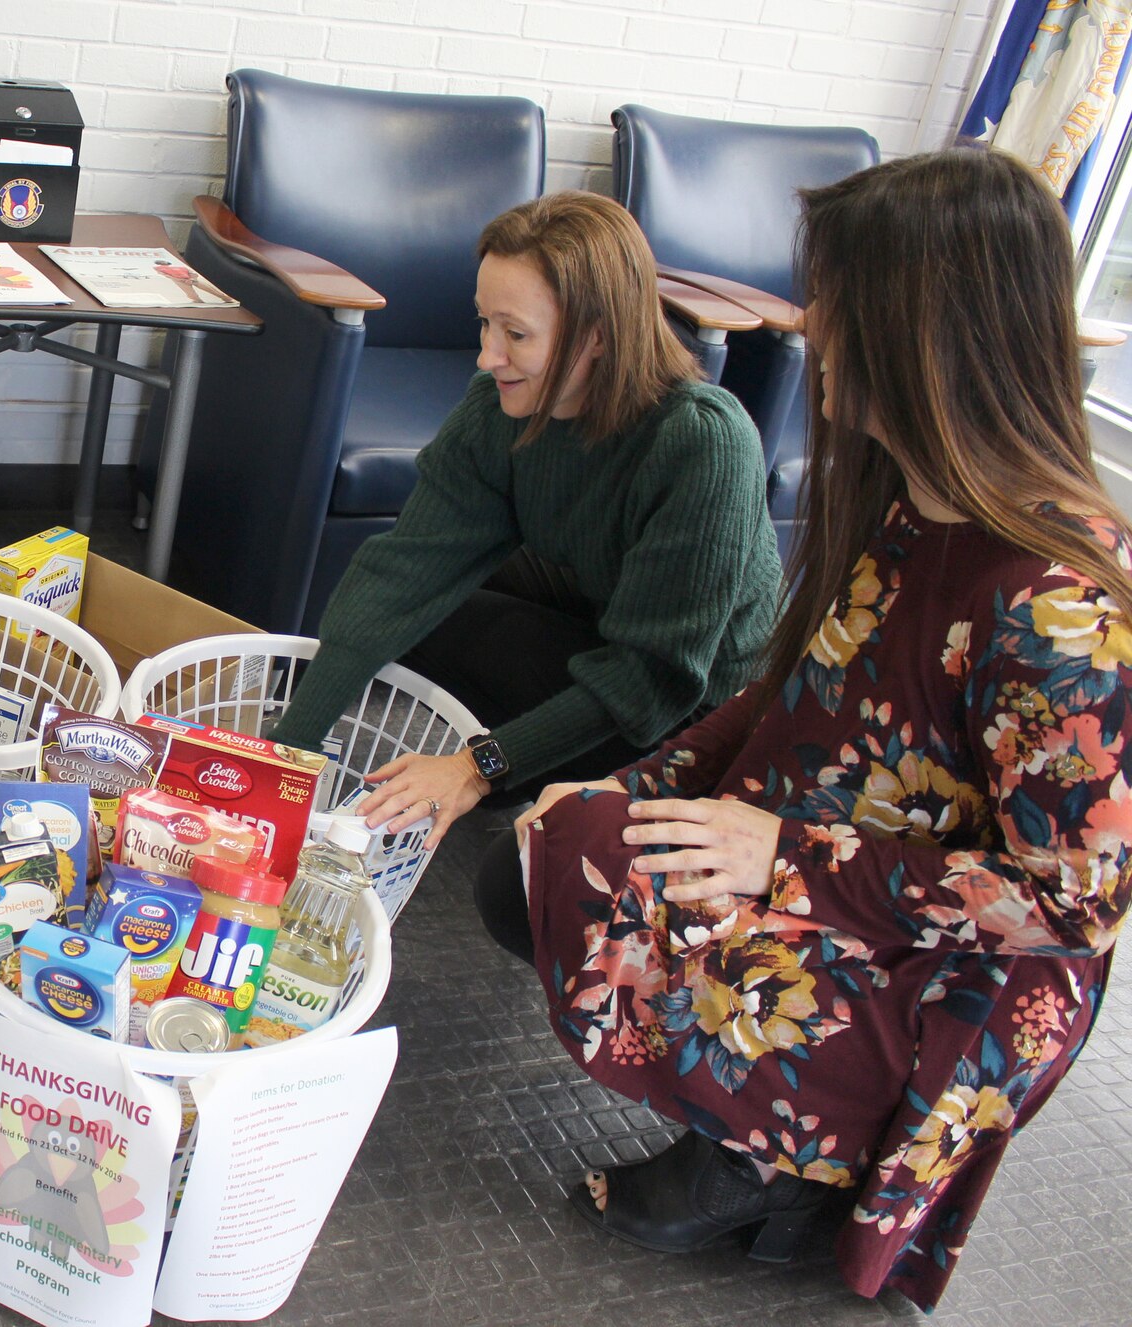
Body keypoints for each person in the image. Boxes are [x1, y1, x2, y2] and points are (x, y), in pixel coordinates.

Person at [483, 147, 1132, 1310]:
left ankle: (779, 1161)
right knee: (544, 852)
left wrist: (782, 860)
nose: (808, 324)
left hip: (942, 967)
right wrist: (637, 786)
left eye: (833, 299)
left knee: (577, 866)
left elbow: (1070, 905)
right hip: (827, 858)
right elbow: (786, 697)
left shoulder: (1055, 611)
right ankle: (766, 1137)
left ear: (921, 329)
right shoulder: (905, 500)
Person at [268, 192, 781, 849]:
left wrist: (478, 766)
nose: (487, 355)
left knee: (487, 647)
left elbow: (652, 678)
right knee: (408, 602)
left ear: (597, 335)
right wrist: (289, 754)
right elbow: (401, 574)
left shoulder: (702, 443)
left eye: (515, 334)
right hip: (600, 608)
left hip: (698, 713)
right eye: (485, 324)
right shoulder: (499, 409)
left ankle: (518, 774)